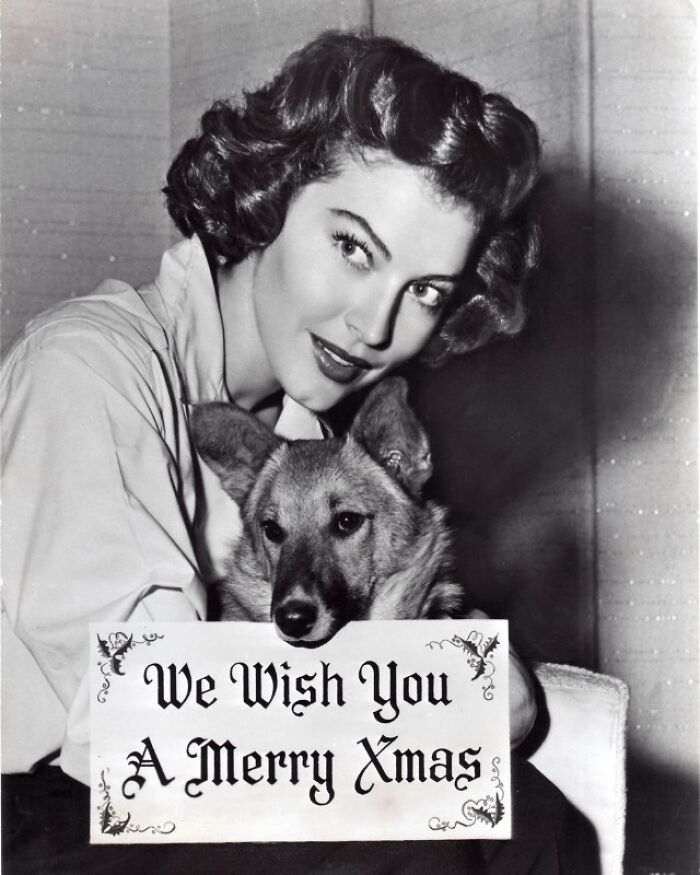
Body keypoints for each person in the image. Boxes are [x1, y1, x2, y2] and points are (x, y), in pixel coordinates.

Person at [1, 30, 598, 874]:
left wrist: (482, 682)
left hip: (212, 794)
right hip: (63, 809)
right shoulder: (88, 367)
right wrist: (437, 695)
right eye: (353, 247)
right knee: (422, 844)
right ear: (271, 195)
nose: (376, 325)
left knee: (529, 817)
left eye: (425, 290)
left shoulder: (309, 440)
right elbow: (150, 729)